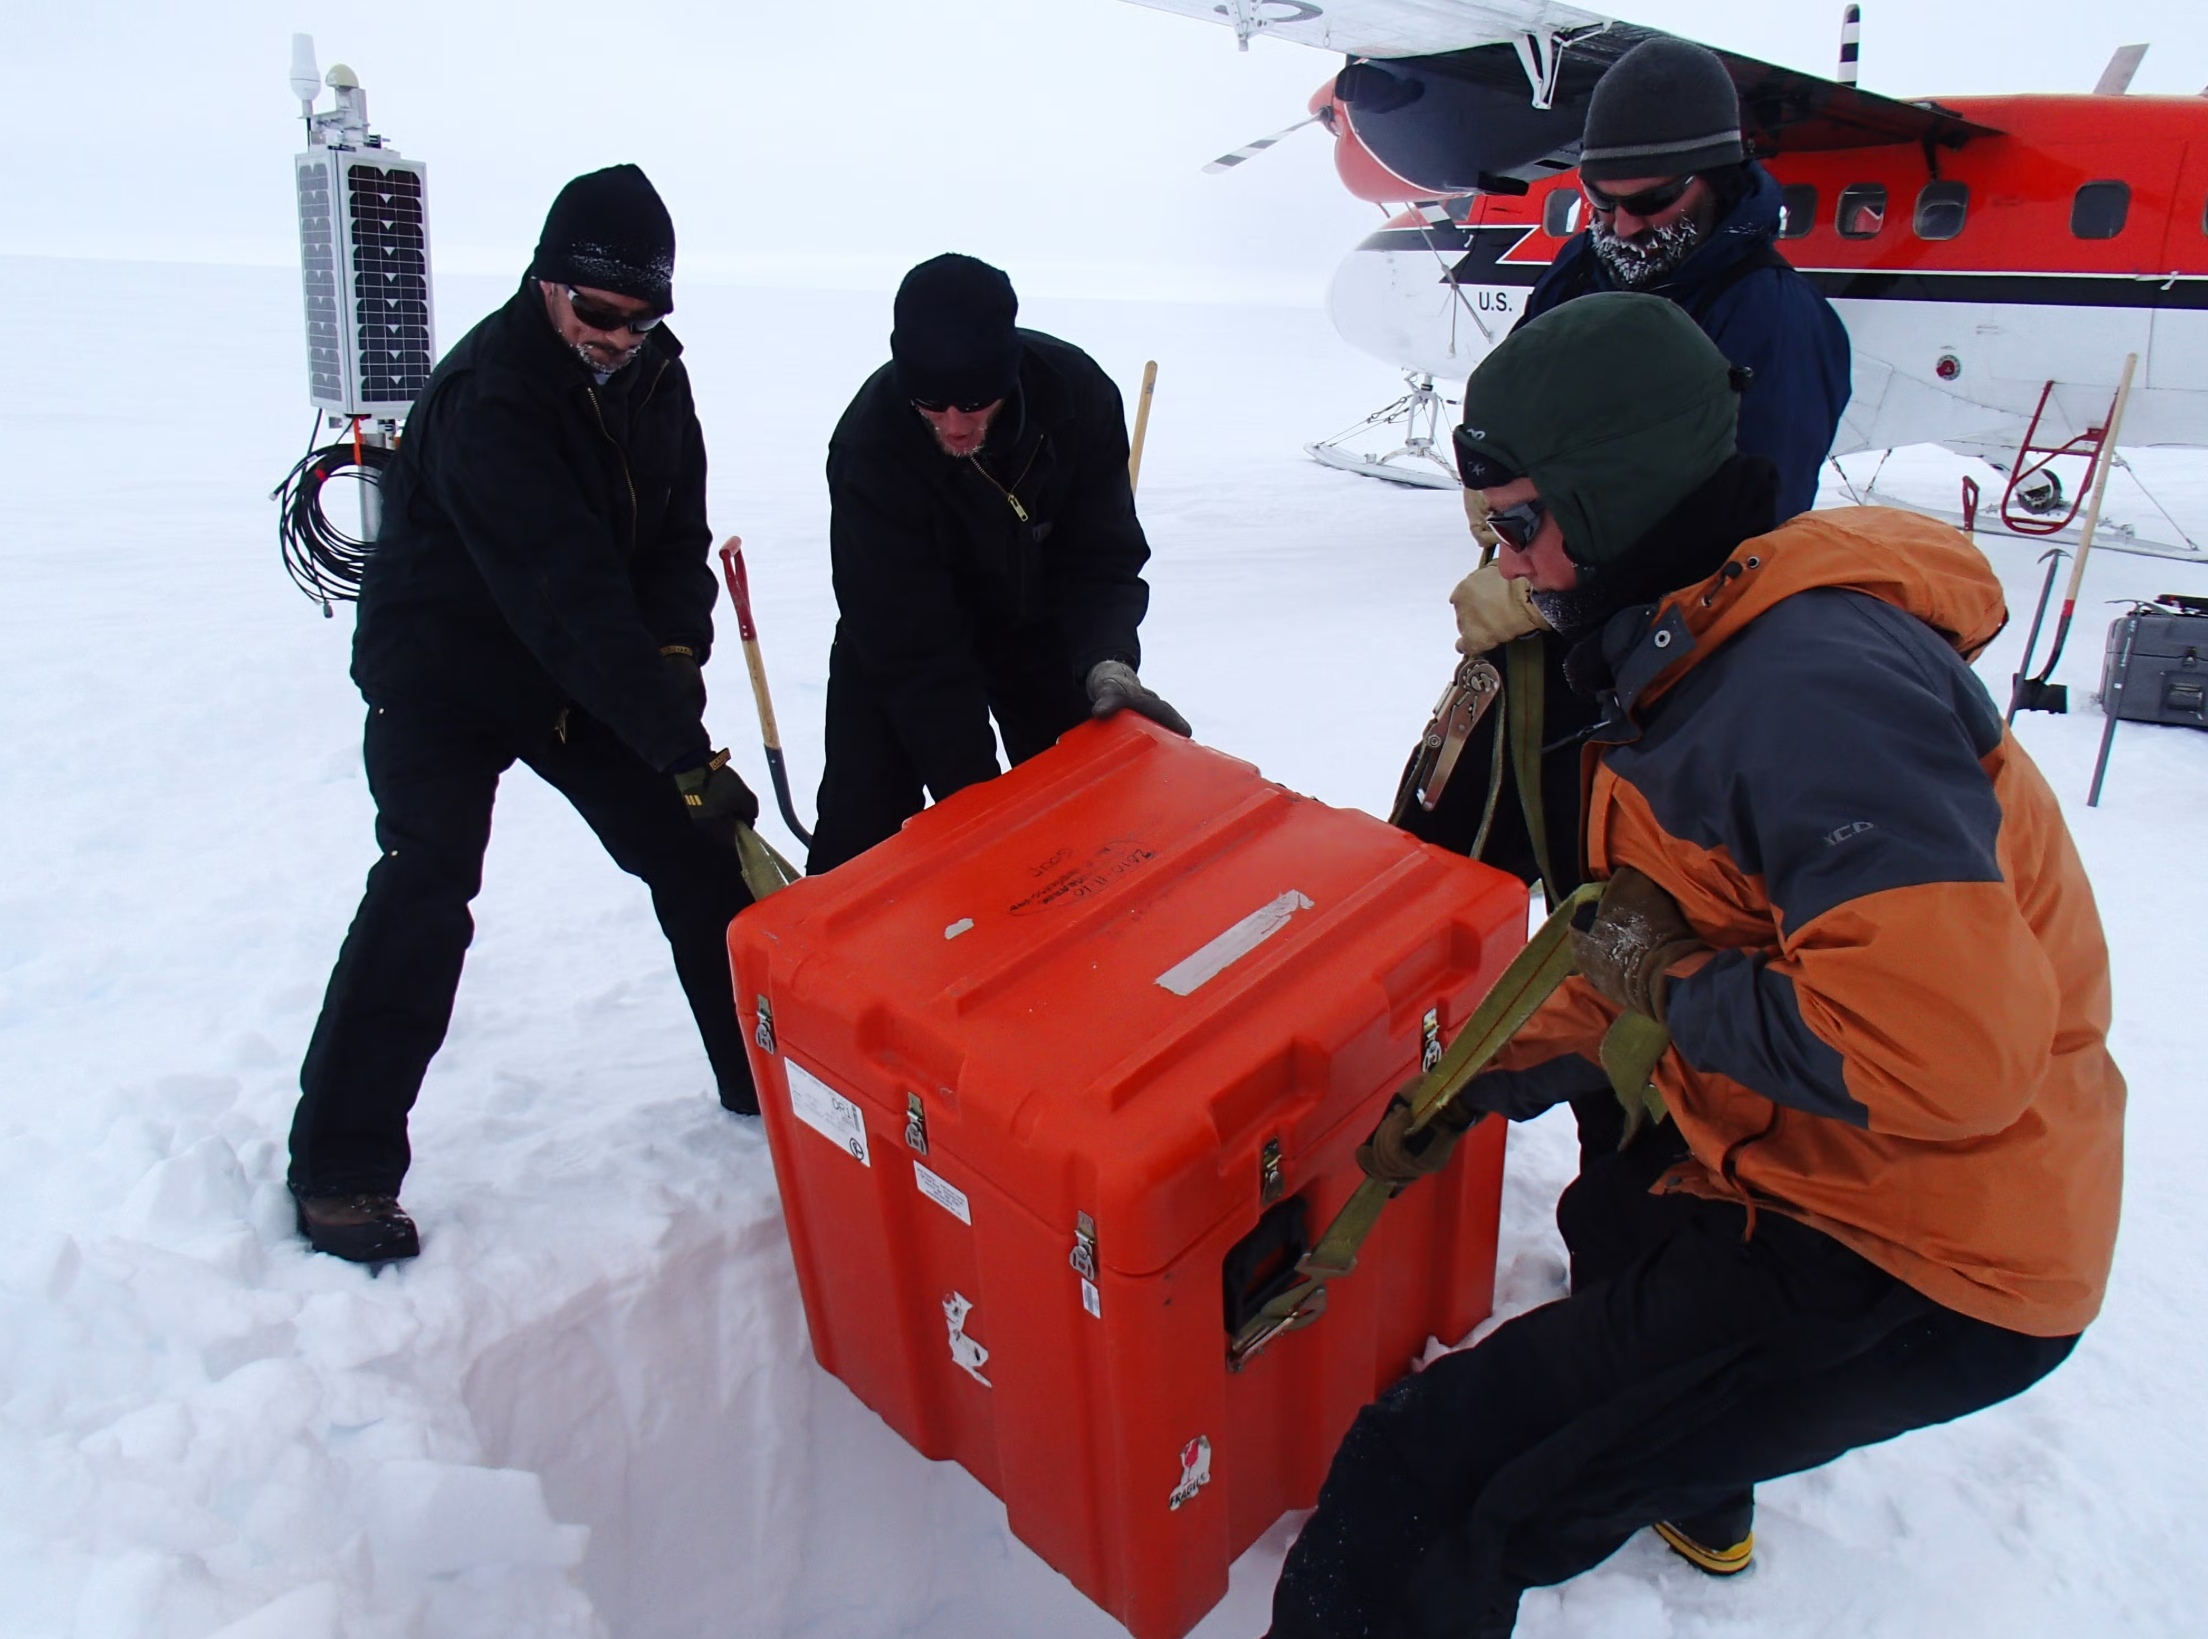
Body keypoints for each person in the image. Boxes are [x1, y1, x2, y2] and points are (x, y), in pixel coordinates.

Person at [1274, 293, 2124, 1637]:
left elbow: (1943, 1057)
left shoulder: (1809, 696)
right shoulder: (1695, 643)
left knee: (1438, 1471)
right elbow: (1655, 925)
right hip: (1815, 1166)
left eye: (1518, 527)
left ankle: (1616, 1466)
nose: (1513, 566)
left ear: (1606, 501)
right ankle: (1679, 1466)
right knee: (1618, 1224)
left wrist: (1669, 992)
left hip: (1914, 1247)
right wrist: (1484, 1075)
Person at [288, 165, 762, 1264]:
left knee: (698, 860)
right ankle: (341, 1165)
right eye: (601, 313)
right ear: (549, 284)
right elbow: (564, 590)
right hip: (444, 668)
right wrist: (674, 743)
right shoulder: (488, 397)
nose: (621, 336)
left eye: (644, 318)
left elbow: (666, 546)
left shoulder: (652, 379)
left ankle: (763, 1085)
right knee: (427, 879)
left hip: (566, 674)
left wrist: (678, 666)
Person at [1406, 33, 1852, 900]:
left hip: (1659, 670)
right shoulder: (1589, 267)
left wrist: (1541, 594)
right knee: (1438, 847)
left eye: (1646, 205)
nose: (1620, 229)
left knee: (1609, 901)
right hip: (1544, 623)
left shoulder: (1773, 323)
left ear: (1716, 180)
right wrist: (1500, 507)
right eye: (1599, 204)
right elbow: (1521, 403)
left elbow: (1740, 528)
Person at [807, 254, 1186, 874]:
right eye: (929, 402)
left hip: (1038, 628)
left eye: (975, 401)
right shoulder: (868, 446)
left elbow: (1100, 555)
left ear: (1008, 376)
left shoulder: (1076, 396)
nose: (954, 426)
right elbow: (909, 641)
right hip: (901, 643)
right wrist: (976, 797)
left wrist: (1106, 658)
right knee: (862, 840)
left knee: (1087, 823)